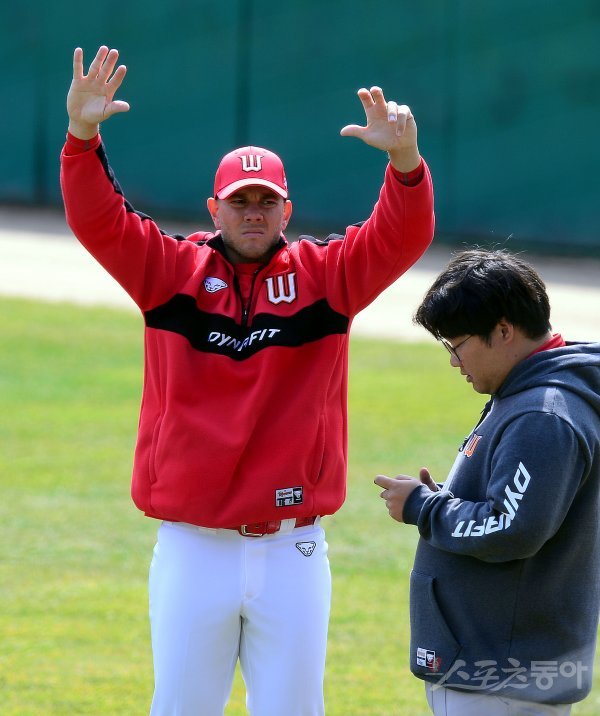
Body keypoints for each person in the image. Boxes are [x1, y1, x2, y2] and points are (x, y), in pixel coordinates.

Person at [60, 45, 435, 715]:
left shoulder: (326, 279)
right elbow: (99, 220)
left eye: (266, 201)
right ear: (215, 208)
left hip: (293, 548)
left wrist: (405, 163)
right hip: (192, 548)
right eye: (240, 202)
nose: (253, 212)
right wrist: (81, 135)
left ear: (287, 211)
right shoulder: (168, 272)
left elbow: (400, 237)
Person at [375, 249, 600, 716]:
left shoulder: (542, 415)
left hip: (500, 679)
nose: (454, 362)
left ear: (502, 331)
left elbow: (512, 528)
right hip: (500, 669)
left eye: (457, 345)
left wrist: (423, 507)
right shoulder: (531, 395)